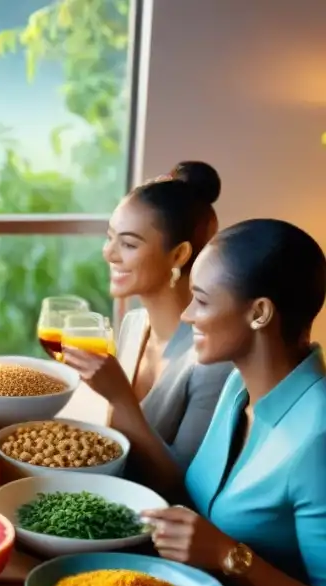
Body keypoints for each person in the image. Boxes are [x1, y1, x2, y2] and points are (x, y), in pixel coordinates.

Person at [135, 219, 326, 586]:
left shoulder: (318, 438)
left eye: (200, 300)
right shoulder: (238, 390)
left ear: (260, 312)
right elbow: (192, 496)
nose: (189, 315)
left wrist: (228, 556)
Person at [62, 161, 232, 485]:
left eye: (127, 244)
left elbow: (184, 488)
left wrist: (120, 397)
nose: (109, 254)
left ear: (179, 255)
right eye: (109, 238)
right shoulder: (135, 324)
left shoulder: (212, 360)